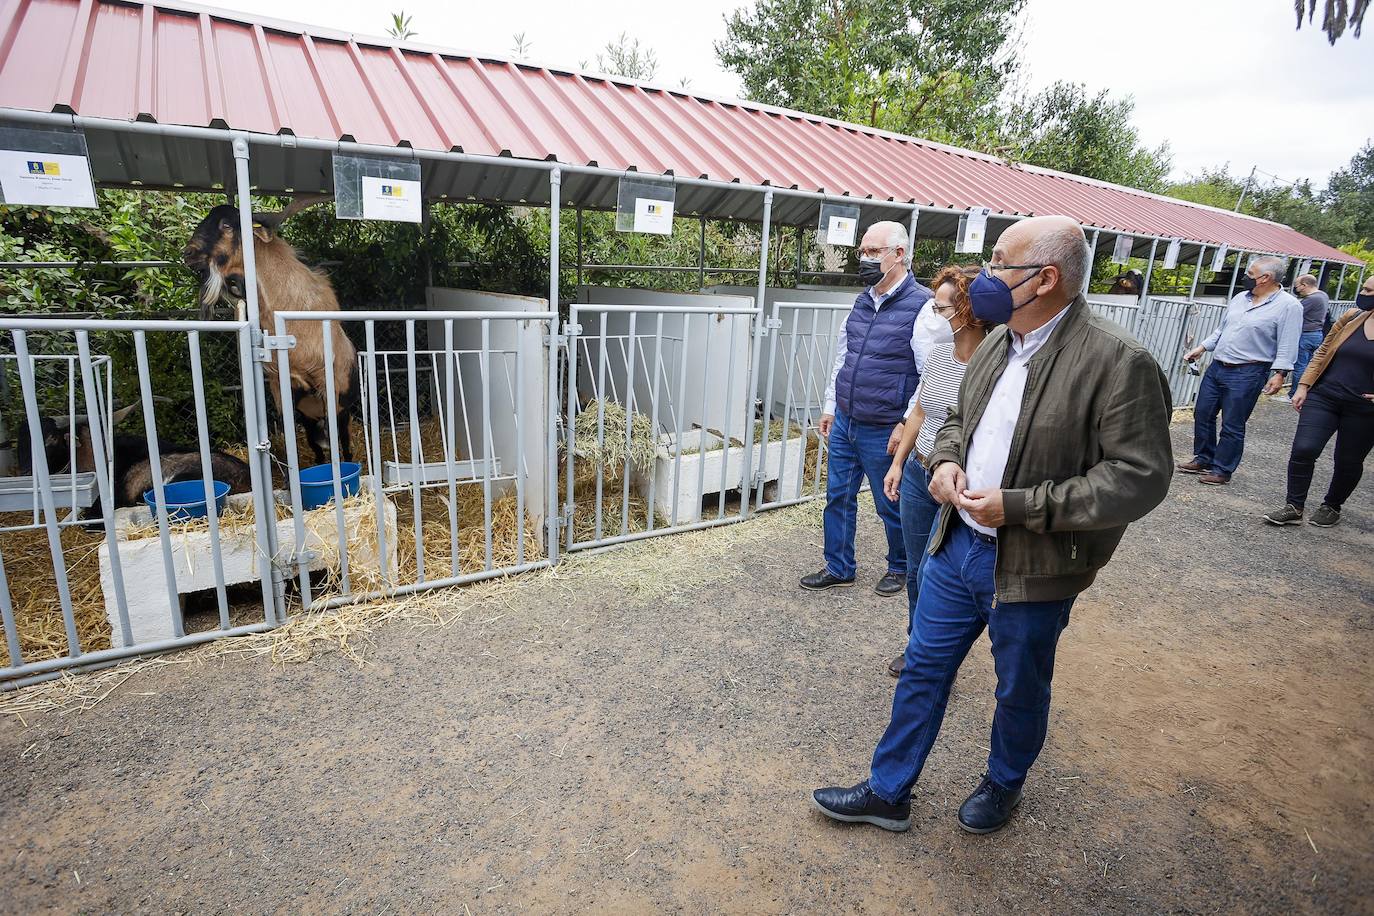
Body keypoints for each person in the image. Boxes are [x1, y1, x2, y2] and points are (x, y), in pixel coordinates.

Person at [810, 215, 1173, 836]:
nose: (985, 276)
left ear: (1046, 278)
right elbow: (954, 417)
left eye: (1001, 262)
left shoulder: (1118, 361)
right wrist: (946, 459)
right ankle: (889, 791)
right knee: (923, 668)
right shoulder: (999, 341)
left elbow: (1139, 478)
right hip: (958, 548)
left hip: (1034, 566)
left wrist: (1023, 507)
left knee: (1018, 688)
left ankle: (1004, 783)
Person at [800, 221, 944, 597]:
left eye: (874, 252)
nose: (865, 259)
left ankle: (900, 566)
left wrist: (904, 423)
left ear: (899, 255)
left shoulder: (922, 306)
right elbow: (843, 356)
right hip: (848, 417)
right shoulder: (863, 299)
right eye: (862, 251)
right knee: (838, 495)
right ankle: (839, 565)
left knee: (889, 501)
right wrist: (832, 405)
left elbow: (930, 373)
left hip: (885, 424)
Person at [881, 265, 986, 677]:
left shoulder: (994, 366)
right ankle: (916, 644)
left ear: (969, 313)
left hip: (954, 482)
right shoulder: (941, 356)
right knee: (913, 569)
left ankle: (935, 653)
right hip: (918, 470)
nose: (934, 317)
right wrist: (898, 462)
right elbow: (921, 411)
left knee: (933, 570)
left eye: (942, 309)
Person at [1177, 256, 1301, 485]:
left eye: (1250, 274)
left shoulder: (1289, 306)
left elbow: (1288, 341)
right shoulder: (1239, 299)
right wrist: (1202, 348)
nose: (1245, 277)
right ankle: (1203, 457)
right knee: (1203, 413)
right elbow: (1221, 330)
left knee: (1233, 423)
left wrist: (1280, 372)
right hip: (1218, 366)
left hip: (1249, 371)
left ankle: (1222, 469)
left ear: (1265, 278)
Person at [1262, 274, 1374, 528]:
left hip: (1364, 408)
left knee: (1348, 460)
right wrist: (1303, 385)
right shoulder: (1352, 317)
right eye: (1365, 289)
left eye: (1369, 291)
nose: (1363, 294)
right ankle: (1294, 506)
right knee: (1304, 449)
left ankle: (1332, 505)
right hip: (1325, 396)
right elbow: (1323, 350)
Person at [1278, 274, 1330, 401]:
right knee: (1308, 366)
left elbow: (1294, 312)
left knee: (1300, 367)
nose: (1297, 289)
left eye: (1297, 286)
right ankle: (1304, 392)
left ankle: (1294, 395)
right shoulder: (1323, 295)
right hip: (1316, 334)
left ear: (1305, 285)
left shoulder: (1311, 299)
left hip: (1306, 335)